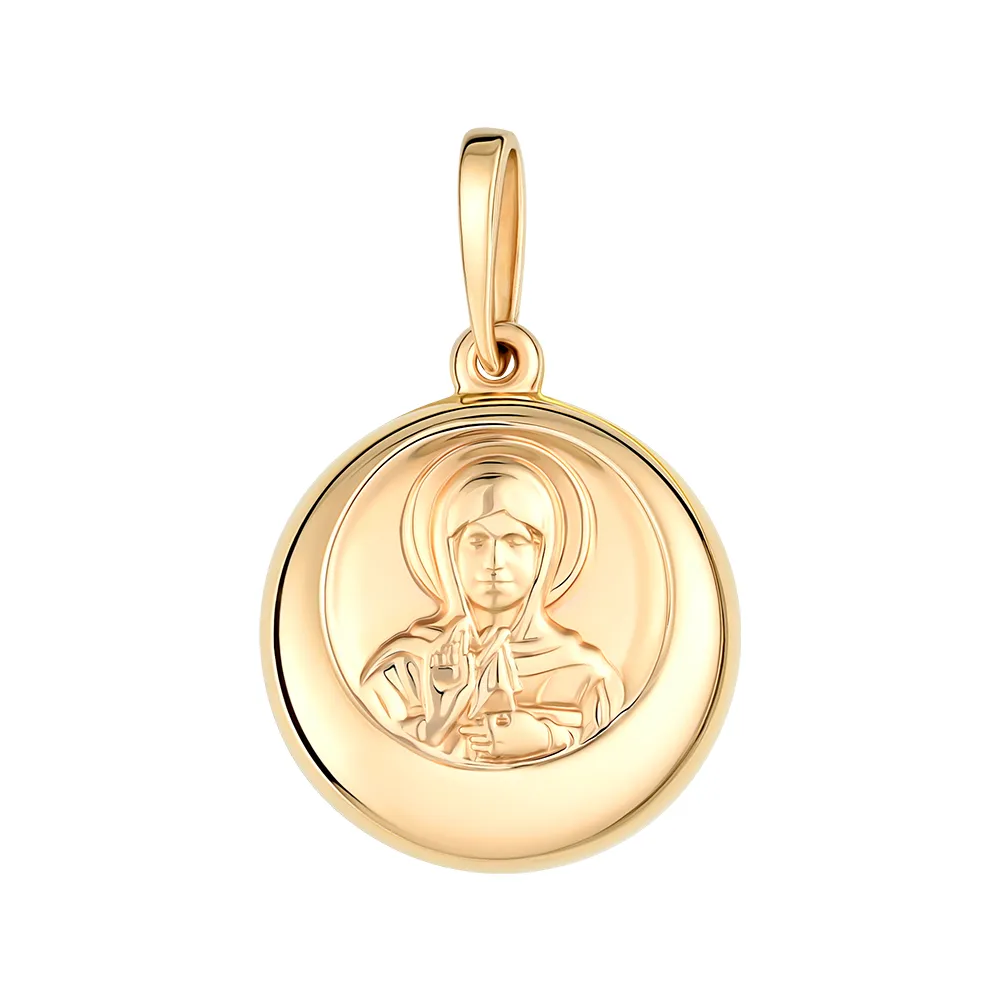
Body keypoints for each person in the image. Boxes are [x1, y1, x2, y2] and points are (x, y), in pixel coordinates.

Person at [361, 460, 623, 763]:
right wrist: (436, 724)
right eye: (477, 541)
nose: (495, 561)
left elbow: (615, 763)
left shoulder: (586, 675)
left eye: (514, 541)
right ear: (450, 554)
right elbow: (366, 752)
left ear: (543, 553)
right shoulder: (406, 668)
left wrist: (548, 739)